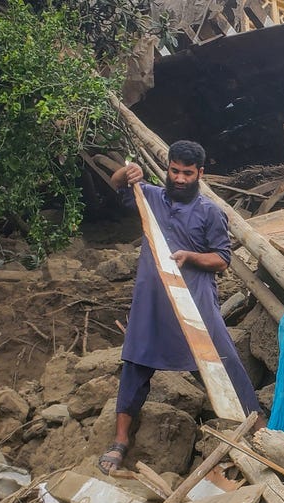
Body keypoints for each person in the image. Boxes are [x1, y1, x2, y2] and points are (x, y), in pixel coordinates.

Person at [102, 140, 261, 473]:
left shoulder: (210, 212)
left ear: (200, 173)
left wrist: (190, 257)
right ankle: (120, 440)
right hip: (152, 299)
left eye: (188, 173)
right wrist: (124, 172)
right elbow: (117, 187)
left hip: (195, 300)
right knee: (135, 361)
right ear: (169, 168)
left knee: (223, 361)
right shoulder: (150, 199)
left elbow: (222, 259)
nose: (180, 178)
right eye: (174, 171)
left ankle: (257, 431)